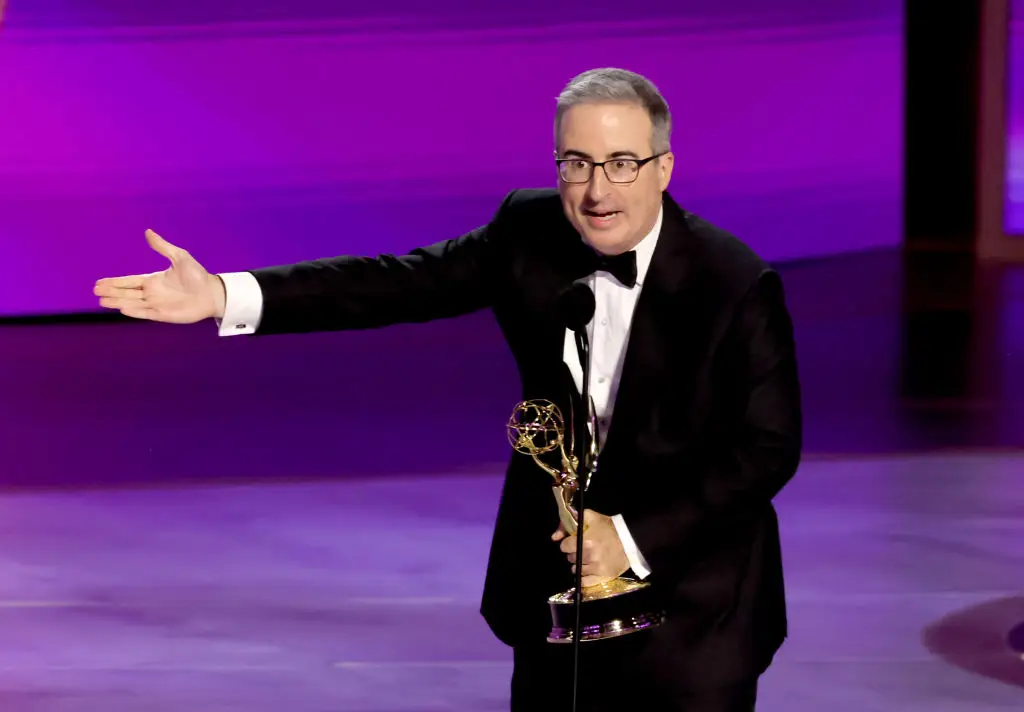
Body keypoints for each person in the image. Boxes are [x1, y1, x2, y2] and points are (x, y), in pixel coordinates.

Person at [94, 67, 801, 711]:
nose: (596, 190)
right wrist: (223, 294)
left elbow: (768, 449)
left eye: (621, 164)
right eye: (576, 163)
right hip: (555, 600)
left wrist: (630, 537)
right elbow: (394, 281)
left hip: (694, 608)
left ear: (664, 167)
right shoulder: (529, 230)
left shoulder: (733, 282)